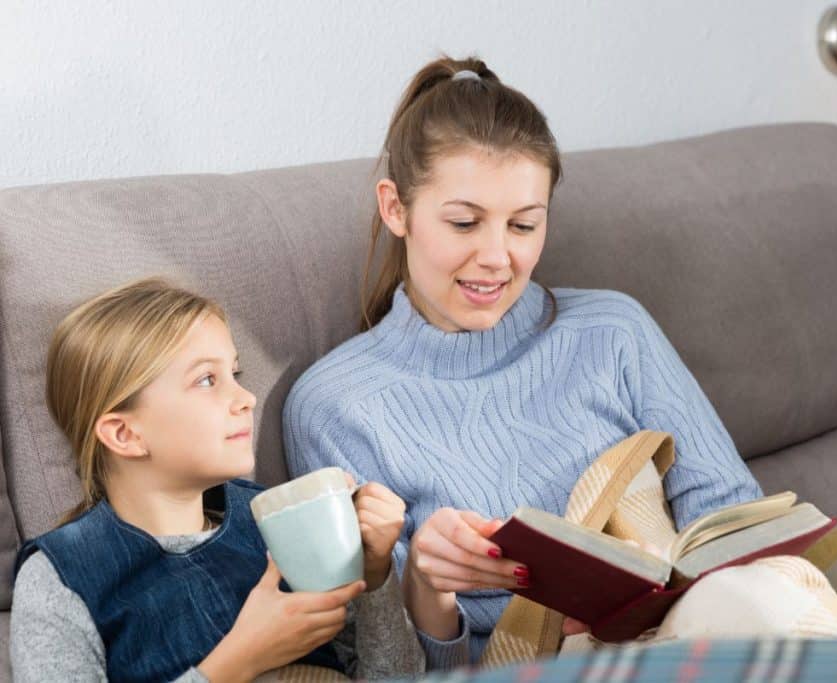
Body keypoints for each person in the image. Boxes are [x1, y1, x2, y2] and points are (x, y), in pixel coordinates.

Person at [282, 56, 773, 669]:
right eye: (464, 222)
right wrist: (430, 587)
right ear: (395, 208)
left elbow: (733, 521)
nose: (497, 257)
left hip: (702, 636)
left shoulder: (613, 330)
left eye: (523, 225)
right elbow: (386, 666)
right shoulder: (333, 405)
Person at [11, 278, 425, 682]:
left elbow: (398, 676)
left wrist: (374, 574)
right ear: (126, 434)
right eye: (207, 380)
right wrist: (236, 663)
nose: (247, 398)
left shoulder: (280, 521)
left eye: (235, 373)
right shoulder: (60, 578)